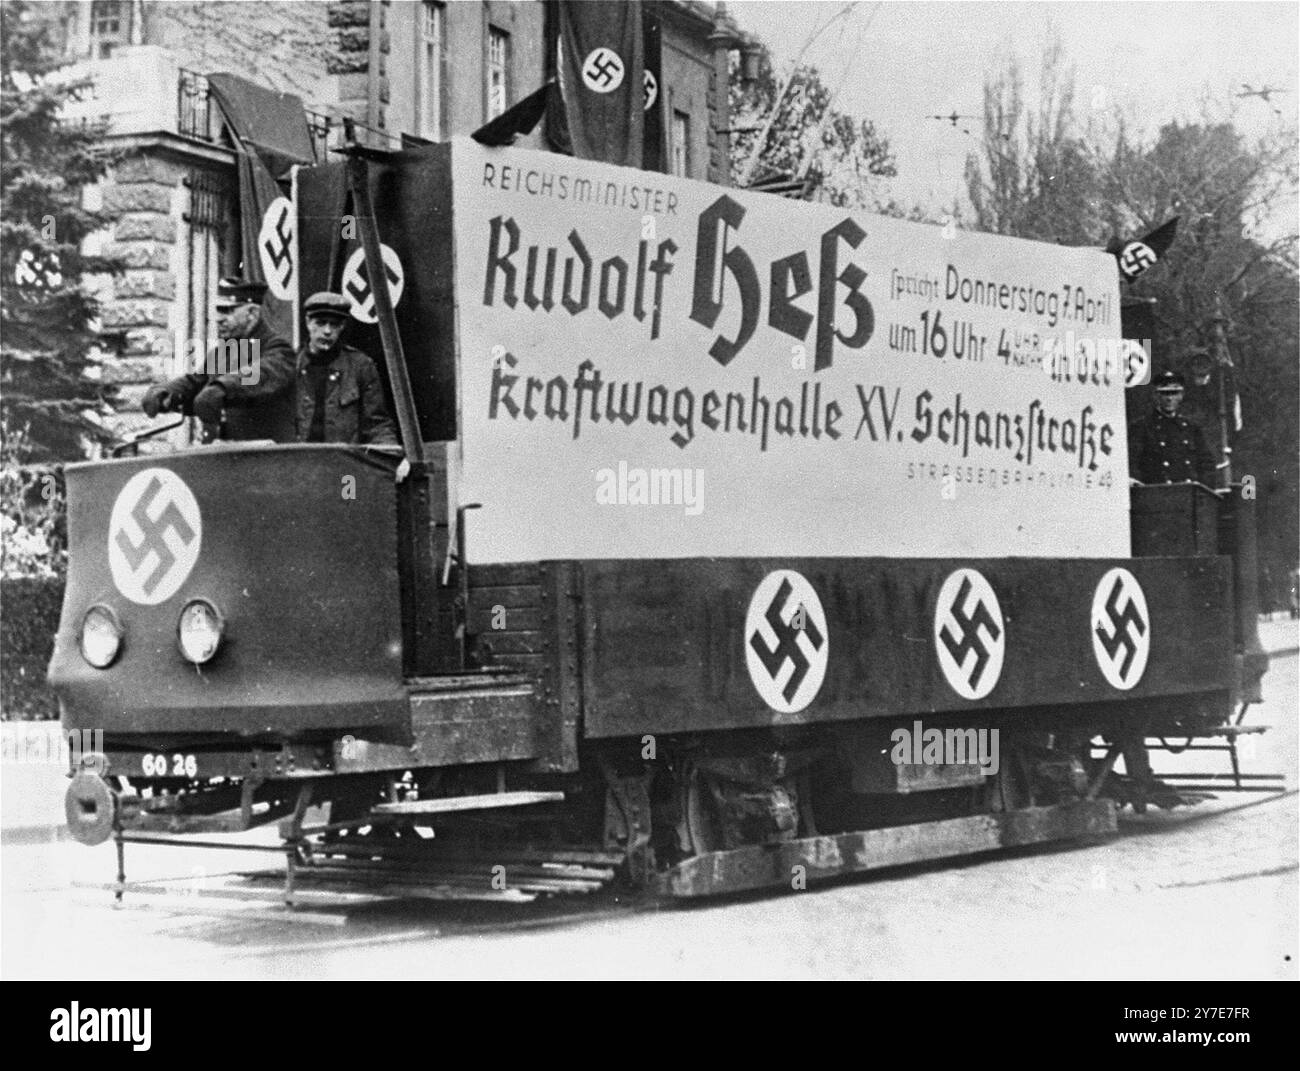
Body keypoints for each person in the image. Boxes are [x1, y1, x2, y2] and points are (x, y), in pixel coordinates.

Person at [142, 278, 296, 442]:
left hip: (266, 458)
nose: (219, 318)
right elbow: (197, 382)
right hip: (225, 456)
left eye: (228, 310)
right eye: (218, 311)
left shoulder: (278, 349)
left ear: (252, 313)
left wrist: (222, 388)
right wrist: (167, 392)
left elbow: (261, 374)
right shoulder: (225, 352)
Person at [294, 291, 398, 446]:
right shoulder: (289, 364)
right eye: (321, 323)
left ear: (342, 326)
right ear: (308, 322)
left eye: (334, 324)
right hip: (298, 461)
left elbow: (376, 424)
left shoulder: (360, 366)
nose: (327, 331)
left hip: (342, 463)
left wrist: (390, 452)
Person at [1128, 370, 1217, 487]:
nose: (1169, 398)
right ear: (1156, 396)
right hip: (1158, 496)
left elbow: (1207, 464)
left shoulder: (1192, 428)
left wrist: (1203, 490)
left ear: (1181, 396)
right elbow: (1132, 464)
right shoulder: (1141, 427)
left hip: (1189, 495)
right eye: (1165, 393)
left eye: (1174, 393)